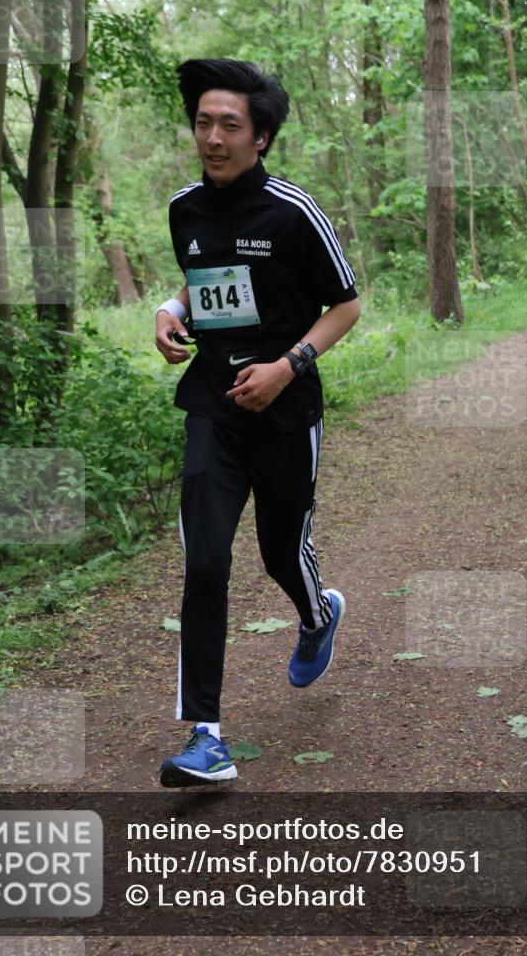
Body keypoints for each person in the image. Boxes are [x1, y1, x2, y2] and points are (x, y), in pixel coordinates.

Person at [154, 59, 361, 787]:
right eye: (203, 122)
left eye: (229, 125)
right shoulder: (185, 209)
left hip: (286, 412)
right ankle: (204, 736)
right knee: (204, 560)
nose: (211, 136)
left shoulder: (292, 211)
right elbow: (200, 277)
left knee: (280, 553)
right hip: (212, 404)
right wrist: (171, 311)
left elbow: (345, 305)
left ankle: (315, 615)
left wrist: (287, 366)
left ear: (261, 137)